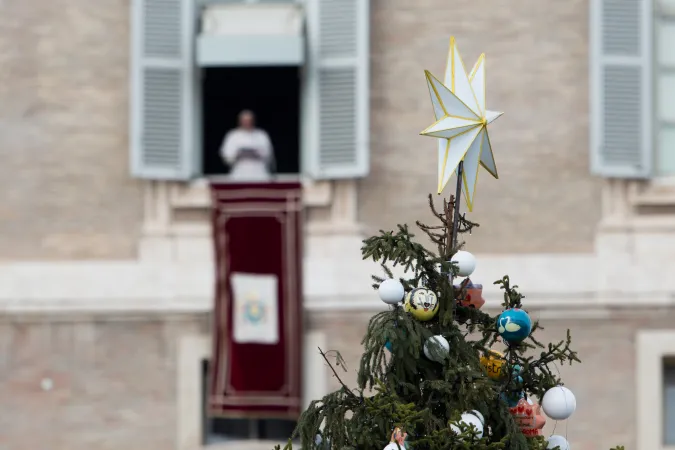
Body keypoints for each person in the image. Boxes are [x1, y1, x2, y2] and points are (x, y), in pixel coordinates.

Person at [220, 110, 275, 181]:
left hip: (260, 173)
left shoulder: (262, 135)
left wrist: (256, 153)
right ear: (240, 121)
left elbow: (268, 154)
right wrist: (238, 154)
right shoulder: (232, 135)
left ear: (253, 121)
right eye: (244, 120)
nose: (247, 123)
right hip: (239, 173)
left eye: (249, 120)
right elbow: (226, 155)